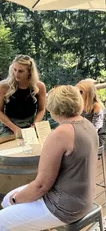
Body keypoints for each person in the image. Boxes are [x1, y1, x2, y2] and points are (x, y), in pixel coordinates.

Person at [0, 85, 99, 229]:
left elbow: (41, 185)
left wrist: (16, 200)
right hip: (84, 199)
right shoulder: (87, 124)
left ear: (53, 107)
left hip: (63, 207)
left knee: (6, 209)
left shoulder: (61, 134)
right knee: (7, 199)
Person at [0, 55, 46, 143]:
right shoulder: (3, 86)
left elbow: (41, 109)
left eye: (21, 71)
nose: (16, 74)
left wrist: (34, 126)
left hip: (31, 123)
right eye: (14, 69)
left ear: (29, 72)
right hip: (9, 124)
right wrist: (15, 128)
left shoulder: (39, 86)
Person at [76, 79, 106, 146]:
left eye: (81, 92)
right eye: (76, 91)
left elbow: (95, 128)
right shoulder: (78, 104)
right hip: (83, 134)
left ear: (89, 93)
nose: (78, 94)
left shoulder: (96, 106)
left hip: (96, 136)